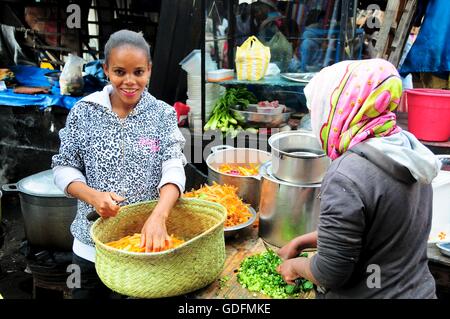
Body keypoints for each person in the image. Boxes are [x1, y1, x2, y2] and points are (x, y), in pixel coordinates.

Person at [276, 58, 441, 299]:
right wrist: (303, 242)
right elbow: (376, 228)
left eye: (318, 110)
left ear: (338, 109)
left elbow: (330, 272)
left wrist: (294, 266)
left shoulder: (346, 174)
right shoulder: (408, 150)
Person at [52, 30, 186, 298]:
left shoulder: (162, 114)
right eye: (119, 72)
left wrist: (159, 216)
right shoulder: (84, 111)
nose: (129, 81)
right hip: (91, 252)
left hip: (142, 249)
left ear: (149, 70)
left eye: (138, 72)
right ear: (105, 70)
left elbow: (173, 167)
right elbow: (63, 166)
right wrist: (93, 196)